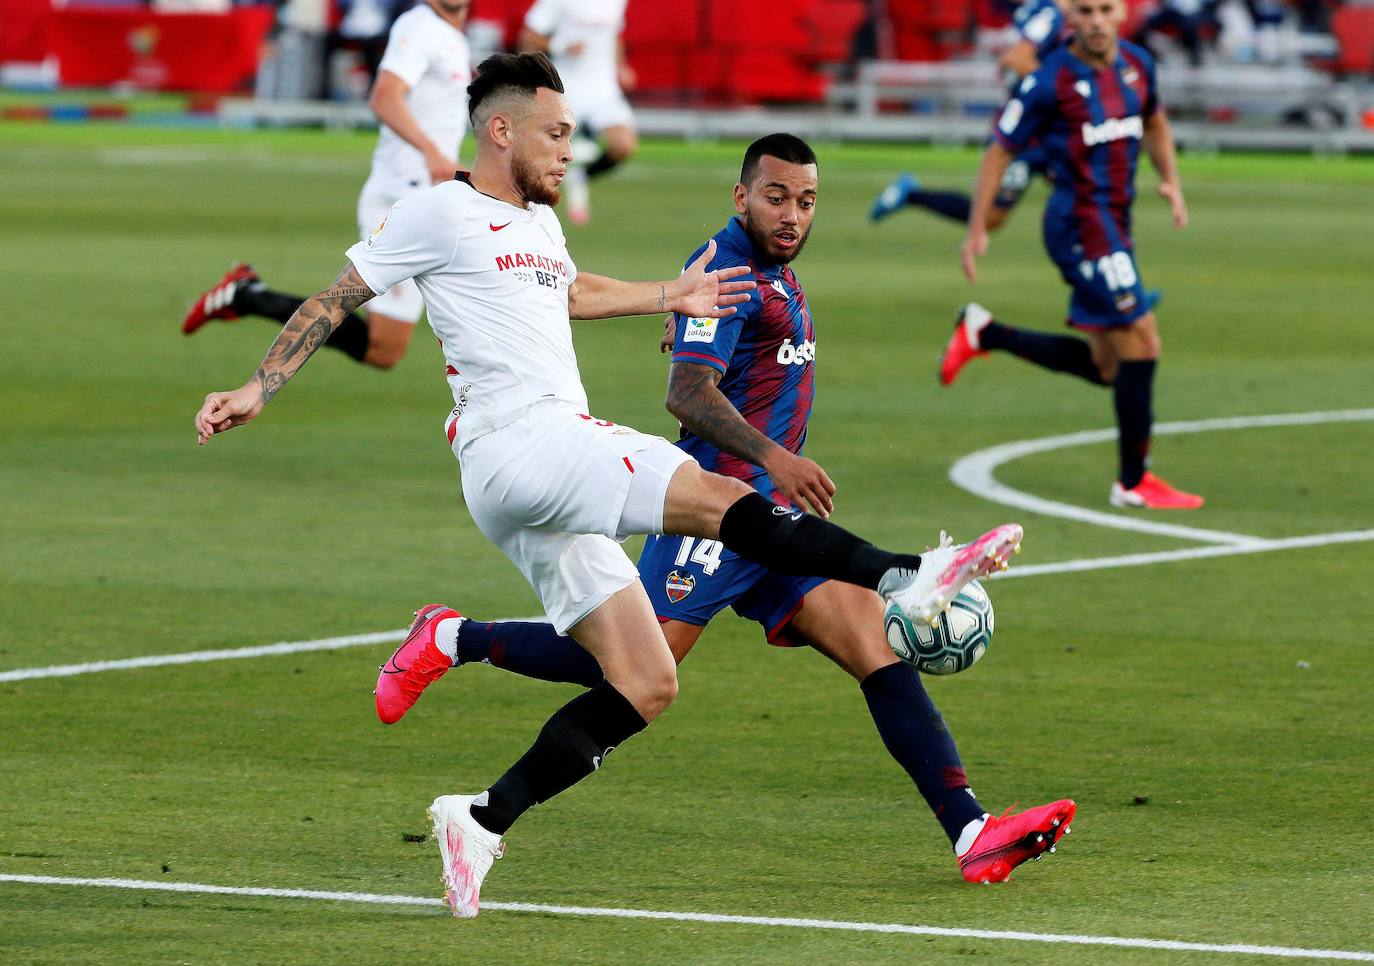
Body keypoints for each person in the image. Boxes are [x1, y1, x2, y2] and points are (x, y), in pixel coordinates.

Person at [193, 53, 1025, 918]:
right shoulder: (441, 210)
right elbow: (339, 295)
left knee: (645, 678)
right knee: (723, 500)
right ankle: (909, 576)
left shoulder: (539, 226)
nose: (570, 149)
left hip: (521, 474)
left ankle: (480, 819)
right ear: (500, 130)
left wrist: (673, 291)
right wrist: (259, 385)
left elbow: (571, 290)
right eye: (557, 133)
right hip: (528, 439)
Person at [380, 133, 1076, 886]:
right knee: (622, 670)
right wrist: (773, 457)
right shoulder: (730, 269)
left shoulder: (774, 273)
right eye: (775, 196)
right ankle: (456, 641)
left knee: (877, 649)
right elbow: (686, 392)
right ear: (740, 196)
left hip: (771, 524)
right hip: (713, 510)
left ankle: (970, 829)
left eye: (806, 201)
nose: (791, 214)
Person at [949, 0, 1202, 510]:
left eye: (1105, 9)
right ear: (1071, 19)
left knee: (1111, 367)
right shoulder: (1048, 80)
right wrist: (977, 226)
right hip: (1080, 228)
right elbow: (999, 149)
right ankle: (1134, 482)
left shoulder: (1137, 64)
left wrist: (1171, 180)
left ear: (1122, 13)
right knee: (1144, 339)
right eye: (1084, 10)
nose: (1095, 20)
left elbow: (1154, 120)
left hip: (1117, 224)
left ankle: (984, 332)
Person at [182, 0, 472, 370]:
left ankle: (247, 294)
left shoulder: (453, 37)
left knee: (386, 351)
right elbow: (384, 97)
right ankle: (247, 296)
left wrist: (449, 163)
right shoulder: (418, 27)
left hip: (430, 195)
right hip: (400, 195)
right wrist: (431, 152)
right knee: (385, 344)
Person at [870, 0, 1068, 232]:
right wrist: (1065, 97)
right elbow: (1016, 58)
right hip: (1031, 130)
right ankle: (912, 195)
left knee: (1083, 190)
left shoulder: (1049, 13)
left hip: (1047, 126)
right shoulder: (1048, 14)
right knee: (989, 217)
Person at [518, 0, 636, 224]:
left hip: (603, 88)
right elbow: (527, 39)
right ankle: (528, 207)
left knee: (623, 145)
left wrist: (621, 66)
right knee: (542, 151)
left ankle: (580, 177)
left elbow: (614, 34)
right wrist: (561, 46)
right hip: (566, 86)